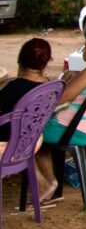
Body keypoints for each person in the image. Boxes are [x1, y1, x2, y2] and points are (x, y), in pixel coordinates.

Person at [0, 37, 58, 196]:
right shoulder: (51, 87)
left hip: (8, 144)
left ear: (20, 59)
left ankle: (44, 183)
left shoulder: (14, 87)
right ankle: (45, 183)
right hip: (33, 141)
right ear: (45, 63)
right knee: (21, 129)